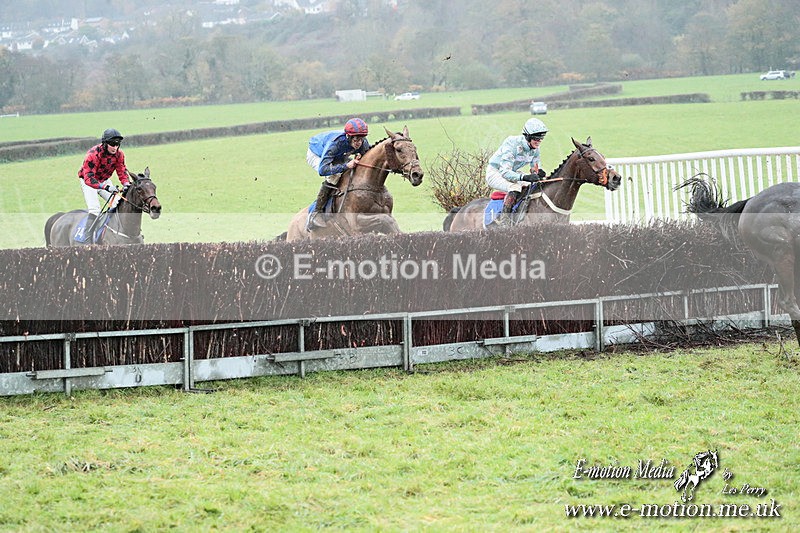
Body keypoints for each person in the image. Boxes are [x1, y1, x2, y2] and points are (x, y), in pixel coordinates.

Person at [305, 117, 370, 229]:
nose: (359, 143)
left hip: (338, 155)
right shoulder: (335, 143)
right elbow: (323, 170)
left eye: (361, 139)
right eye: (356, 140)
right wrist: (345, 166)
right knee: (333, 176)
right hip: (316, 153)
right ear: (348, 137)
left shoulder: (362, 143)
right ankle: (316, 213)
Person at [485, 117, 549, 226]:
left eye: (541, 138)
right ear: (528, 137)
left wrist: (539, 173)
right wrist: (525, 177)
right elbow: (505, 172)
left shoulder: (535, 149)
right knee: (514, 187)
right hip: (496, 172)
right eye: (536, 138)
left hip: (512, 173)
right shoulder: (512, 143)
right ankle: (504, 222)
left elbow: (535, 168)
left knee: (534, 185)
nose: (539, 141)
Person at [78, 128, 130, 230]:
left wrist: (126, 183)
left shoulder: (119, 154)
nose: (115, 147)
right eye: (112, 144)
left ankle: (115, 231)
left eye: (117, 144)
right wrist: (105, 187)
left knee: (118, 204)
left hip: (104, 180)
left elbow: (121, 171)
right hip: (88, 181)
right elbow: (89, 178)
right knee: (95, 210)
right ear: (105, 143)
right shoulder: (93, 155)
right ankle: (86, 237)